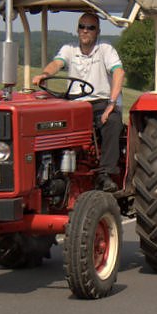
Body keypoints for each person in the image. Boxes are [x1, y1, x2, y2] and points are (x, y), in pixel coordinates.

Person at [33, 13, 124, 192]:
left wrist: (111, 103)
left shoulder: (105, 49)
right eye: (82, 26)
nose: (85, 31)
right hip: (73, 103)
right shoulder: (69, 48)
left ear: (97, 31)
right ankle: (50, 173)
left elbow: (118, 72)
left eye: (90, 27)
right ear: (77, 29)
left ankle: (104, 174)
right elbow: (56, 64)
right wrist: (44, 75)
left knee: (112, 121)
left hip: (99, 102)